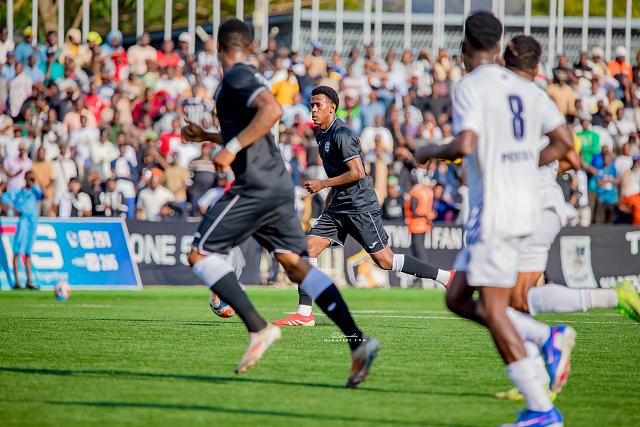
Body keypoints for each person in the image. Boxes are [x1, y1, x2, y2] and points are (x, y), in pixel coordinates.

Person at [181, 19, 379, 386]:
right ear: (249, 46)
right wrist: (208, 135)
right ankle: (358, 341)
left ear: (219, 48)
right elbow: (256, 126)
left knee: (199, 254)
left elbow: (272, 111)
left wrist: (230, 148)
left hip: (254, 185)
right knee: (295, 263)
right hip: (276, 185)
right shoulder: (249, 77)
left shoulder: (237, 75)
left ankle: (258, 328)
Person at [416, 14, 573, 426]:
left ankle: (542, 408)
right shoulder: (525, 87)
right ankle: (544, 338)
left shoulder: (471, 85)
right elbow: (564, 142)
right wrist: (524, 164)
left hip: (497, 213)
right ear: (499, 47)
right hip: (521, 207)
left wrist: (428, 150)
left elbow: (466, 144)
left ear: (464, 47)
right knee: (457, 298)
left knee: (494, 309)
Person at [493, 35, 640, 403]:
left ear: (505, 64)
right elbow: (571, 156)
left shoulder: (511, 99)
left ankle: (610, 298)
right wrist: (554, 170)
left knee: (502, 302)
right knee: (517, 303)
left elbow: (565, 154)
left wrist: (525, 167)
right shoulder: (538, 101)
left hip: (531, 208)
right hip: (540, 205)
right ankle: (538, 378)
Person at [273, 86, 452, 327]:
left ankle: (445, 277)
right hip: (338, 207)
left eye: (318, 105)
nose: (313, 110)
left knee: (385, 261)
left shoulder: (342, 134)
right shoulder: (321, 135)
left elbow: (357, 172)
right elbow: (337, 173)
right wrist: (328, 200)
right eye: (312, 105)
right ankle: (305, 313)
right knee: (309, 249)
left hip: (360, 206)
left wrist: (322, 184)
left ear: (332, 108)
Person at [0, 171, 43, 289]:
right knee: (17, 251)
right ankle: (17, 281)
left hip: (33, 223)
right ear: (25, 178)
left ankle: (29, 281)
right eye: (29, 178)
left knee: (28, 252)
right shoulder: (18, 192)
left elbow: (43, 195)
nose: (31, 181)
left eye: (33, 178)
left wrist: (36, 183)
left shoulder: (35, 191)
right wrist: (13, 207)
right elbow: (4, 197)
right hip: (23, 222)